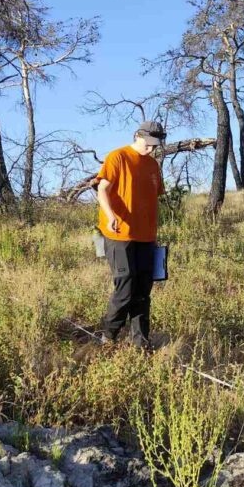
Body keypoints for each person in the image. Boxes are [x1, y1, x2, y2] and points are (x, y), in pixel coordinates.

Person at [95, 120, 166, 348]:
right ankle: (108, 337)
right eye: (149, 143)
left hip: (146, 237)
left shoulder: (153, 166)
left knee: (143, 291)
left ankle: (141, 344)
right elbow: (102, 190)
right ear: (138, 136)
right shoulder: (118, 157)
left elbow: (152, 199)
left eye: (156, 144)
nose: (152, 148)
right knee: (125, 286)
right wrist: (111, 215)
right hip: (119, 235)